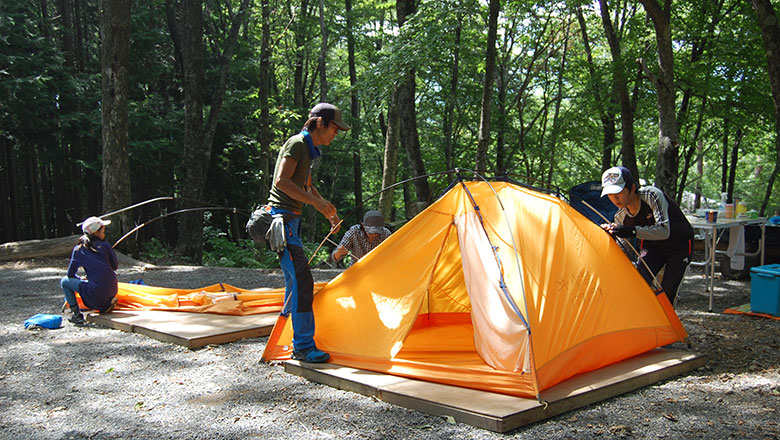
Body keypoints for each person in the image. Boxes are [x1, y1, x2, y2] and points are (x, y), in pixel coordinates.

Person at [264, 102, 350, 363]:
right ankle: (302, 346)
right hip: (282, 221)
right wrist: (316, 203)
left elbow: (307, 186)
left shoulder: (308, 150)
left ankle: (286, 335)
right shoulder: (297, 144)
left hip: (293, 223)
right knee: (302, 281)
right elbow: (281, 181)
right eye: (335, 128)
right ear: (320, 123)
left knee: (294, 282)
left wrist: (328, 210)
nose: (336, 134)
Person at [600, 166, 694, 305]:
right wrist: (611, 237)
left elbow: (664, 230)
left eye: (618, 192)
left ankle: (668, 325)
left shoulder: (651, 195)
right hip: (654, 247)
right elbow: (623, 247)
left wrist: (632, 231)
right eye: (610, 194)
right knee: (639, 283)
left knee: (668, 291)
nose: (615, 198)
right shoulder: (620, 216)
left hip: (679, 245)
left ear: (632, 188)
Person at [60, 216, 119, 325]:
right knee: (96, 286)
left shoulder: (78, 249)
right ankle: (105, 304)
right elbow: (114, 267)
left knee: (64, 281)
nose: (104, 234)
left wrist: (81, 279)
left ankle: (77, 315)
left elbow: (70, 274)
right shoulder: (106, 245)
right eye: (103, 231)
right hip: (113, 290)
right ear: (96, 232)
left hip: (95, 294)